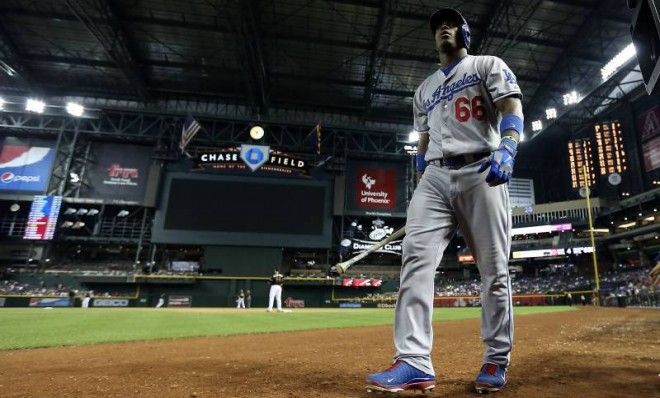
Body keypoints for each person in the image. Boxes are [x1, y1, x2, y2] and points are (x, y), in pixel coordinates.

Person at [366, 8, 523, 395]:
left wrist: (509, 146)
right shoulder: (424, 89)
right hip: (435, 175)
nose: (443, 30)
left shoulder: (487, 64)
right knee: (415, 256)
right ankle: (415, 362)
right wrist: (422, 170)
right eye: (438, 27)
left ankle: (495, 359)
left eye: (450, 24)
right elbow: (423, 137)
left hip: (481, 168)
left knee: (494, 271)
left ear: (464, 32)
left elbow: (511, 107)